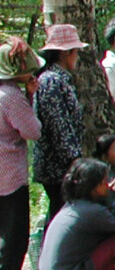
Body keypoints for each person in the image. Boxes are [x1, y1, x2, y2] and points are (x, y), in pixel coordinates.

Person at [38, 157, 115, 270]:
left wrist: (113, 195)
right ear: (94, 187)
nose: (108, 185)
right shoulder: (92, 212)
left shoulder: (73, 206)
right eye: (104, 182)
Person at [33, 23, 88, 224]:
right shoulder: (51, 81)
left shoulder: (59, 79)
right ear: (66, 53)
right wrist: (74, 160)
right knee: (61, 216)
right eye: (75, 52)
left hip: (60, 164)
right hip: (56, 166)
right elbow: (59, 126)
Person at [0, 39, 41, 270]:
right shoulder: (12, 97)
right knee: (14, 227)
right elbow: (32, 130)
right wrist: (31, 98)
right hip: (10, 170)